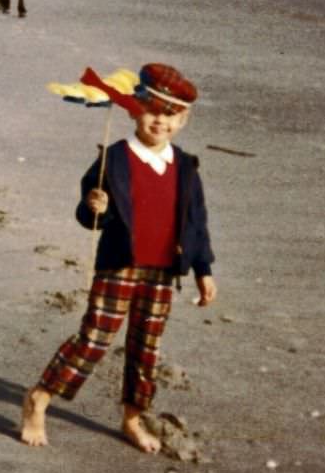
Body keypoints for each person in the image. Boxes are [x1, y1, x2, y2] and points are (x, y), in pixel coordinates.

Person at [20, 63, 217, 453]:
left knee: (146, 349)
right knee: (93, 339)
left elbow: (196, 221)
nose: (159, 121)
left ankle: (132, 416)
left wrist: (203, 271)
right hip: (119, 265)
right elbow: (89, 215)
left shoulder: (186, 167)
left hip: (162, 273)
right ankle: (39, 398)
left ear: (183, 120)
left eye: (170, 114)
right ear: (133, 108)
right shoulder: (115, 158)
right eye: (151, 110)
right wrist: (97, 206)